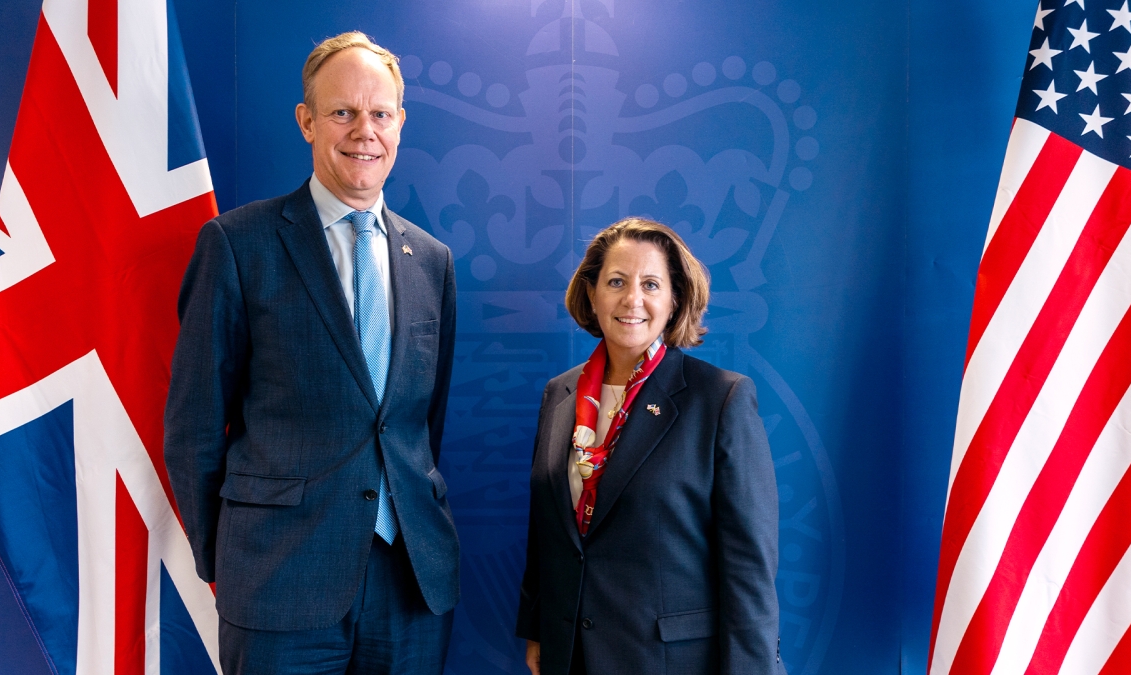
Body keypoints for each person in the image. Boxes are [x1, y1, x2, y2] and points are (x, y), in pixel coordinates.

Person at [164, 31, 458, 675]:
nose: (364, 131)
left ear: (401, 124)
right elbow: (192, 425)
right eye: (342, 112)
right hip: (277, 582)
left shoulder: (431, 261)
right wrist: (228, 557)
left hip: (410, 584)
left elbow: (417, 424)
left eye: (380, 113)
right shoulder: (239, 244)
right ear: (307, 122)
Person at [515, 218, 784, 675]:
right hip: (570, 655)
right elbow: (548, 530)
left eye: (651, 284)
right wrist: (539, 626)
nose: (632, 299)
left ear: (675, 299)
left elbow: (749, 566)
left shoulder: (719, 399)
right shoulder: (559, 395)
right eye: (616, 281)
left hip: (671, 661)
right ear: (592, 294)